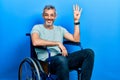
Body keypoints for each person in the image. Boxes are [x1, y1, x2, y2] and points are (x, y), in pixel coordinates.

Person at [31, 4, 94, 80]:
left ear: (55, 16)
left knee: (89, 53)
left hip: (63, 58)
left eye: (52, 15)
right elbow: (35, 41)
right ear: (43, 16)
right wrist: (58, 43)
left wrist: (76, 21)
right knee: (61, 59)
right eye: (46, 15)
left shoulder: (60, 29)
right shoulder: (37, 28)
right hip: (47, 62)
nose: (49, 18)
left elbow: (76, 40)